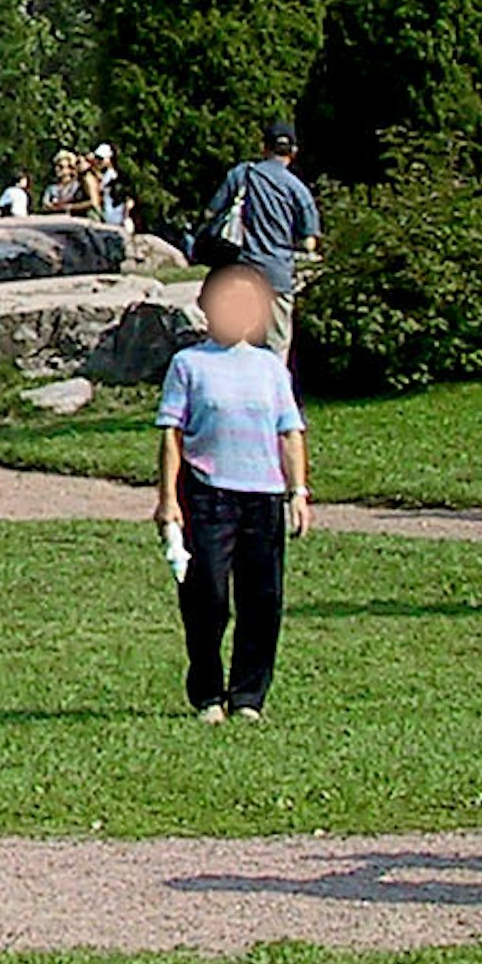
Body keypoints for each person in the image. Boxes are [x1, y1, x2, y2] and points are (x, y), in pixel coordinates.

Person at [155, 264, 312, 722]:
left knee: (262, 598)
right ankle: (206, 692)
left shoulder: (269, 368)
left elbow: (290, 432)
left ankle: (248, 696)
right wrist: (168, 502)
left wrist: (297, 491)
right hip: (207, 493)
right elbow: (171, 435)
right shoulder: (188, 365)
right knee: (207, 596)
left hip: (262, 497)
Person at [197, 119, 322, 355]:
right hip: (276, 274)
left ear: (264, 148)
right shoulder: (297, 189)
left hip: (238, 270)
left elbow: (210, 213)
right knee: (276, 347)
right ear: (293, 152)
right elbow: (309, 241)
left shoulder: (242, 174)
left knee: (229, 344)